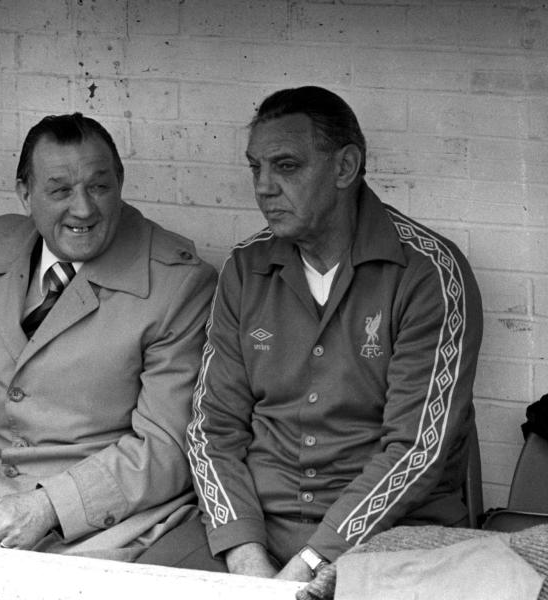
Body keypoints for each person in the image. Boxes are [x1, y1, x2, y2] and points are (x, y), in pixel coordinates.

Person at [138, 86, 483, 580]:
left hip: (389, 533)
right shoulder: (245, 268)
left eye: (286, 166)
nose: (263, 186)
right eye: (255, 167)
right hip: (255, 525)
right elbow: (212, 430)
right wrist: (243, 551)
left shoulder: (428, 272)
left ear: (345, 167)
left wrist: (314, 560)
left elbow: (416, 448)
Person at [0, 113, 217, 561]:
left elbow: (165, 447)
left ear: (120, 182)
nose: (83, 209)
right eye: (59, 190)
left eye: (99, 186)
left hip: (106, 519)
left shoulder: (177, 283)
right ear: (25, 194)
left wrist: (48, 506)